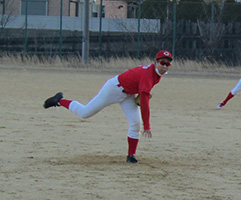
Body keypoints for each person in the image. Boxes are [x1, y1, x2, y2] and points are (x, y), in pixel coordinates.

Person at [43, 49, 174, 164]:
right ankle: (60, 100)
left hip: (128, 94)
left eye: (167, 63)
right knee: (85, 113)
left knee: (135, 124)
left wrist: (141, 92)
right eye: (162, 62)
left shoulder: (156, 74)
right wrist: (148, 125)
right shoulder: (149, 74)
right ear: (155, 62)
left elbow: (142, 91)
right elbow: (144, 103)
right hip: (113, 89)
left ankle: (131, 156)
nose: (164, 66)